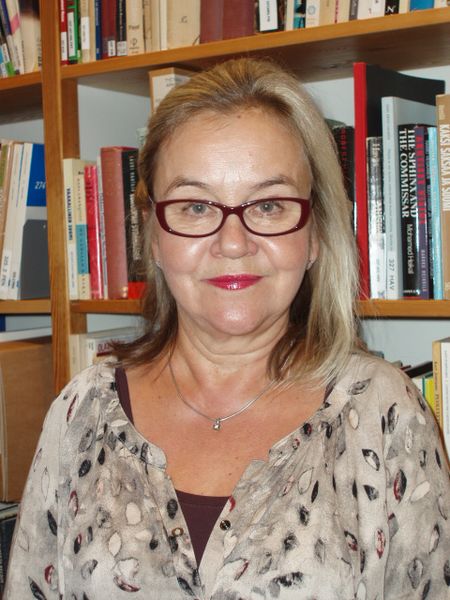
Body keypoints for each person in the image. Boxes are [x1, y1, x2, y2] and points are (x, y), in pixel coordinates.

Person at [4, 58, 449, 600]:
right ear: (154, 236)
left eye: (269, 204)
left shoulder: (385, 412)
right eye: (195, 206)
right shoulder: (81, 413)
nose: (233, 243)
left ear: (313, 234)